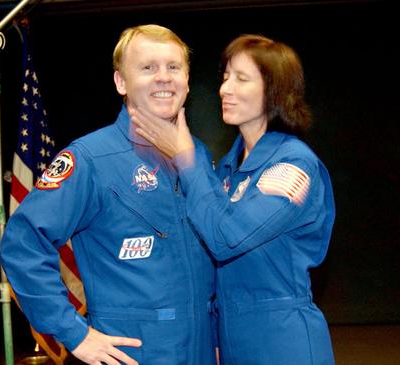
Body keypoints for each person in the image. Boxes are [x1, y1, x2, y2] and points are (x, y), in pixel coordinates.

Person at [0, 24, 217, 365]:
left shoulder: (198, 156)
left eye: (174, 67)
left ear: (187, 80)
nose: (163, 78)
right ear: (121, 82)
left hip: (201, 351)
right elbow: (22, 243)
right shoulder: (90, 159)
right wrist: (74, 333)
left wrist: (216, 336)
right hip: (133, 354)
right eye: (148, 68)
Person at [131, 34, 336, 364]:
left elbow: (225, 238)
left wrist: (186, 159)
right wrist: (214, 336)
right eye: (225, 77)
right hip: (232, 338)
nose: (225, 89)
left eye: (242, 78)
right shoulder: (228, 167)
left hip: (282, 341)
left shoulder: (294, 165)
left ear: (274, 91)